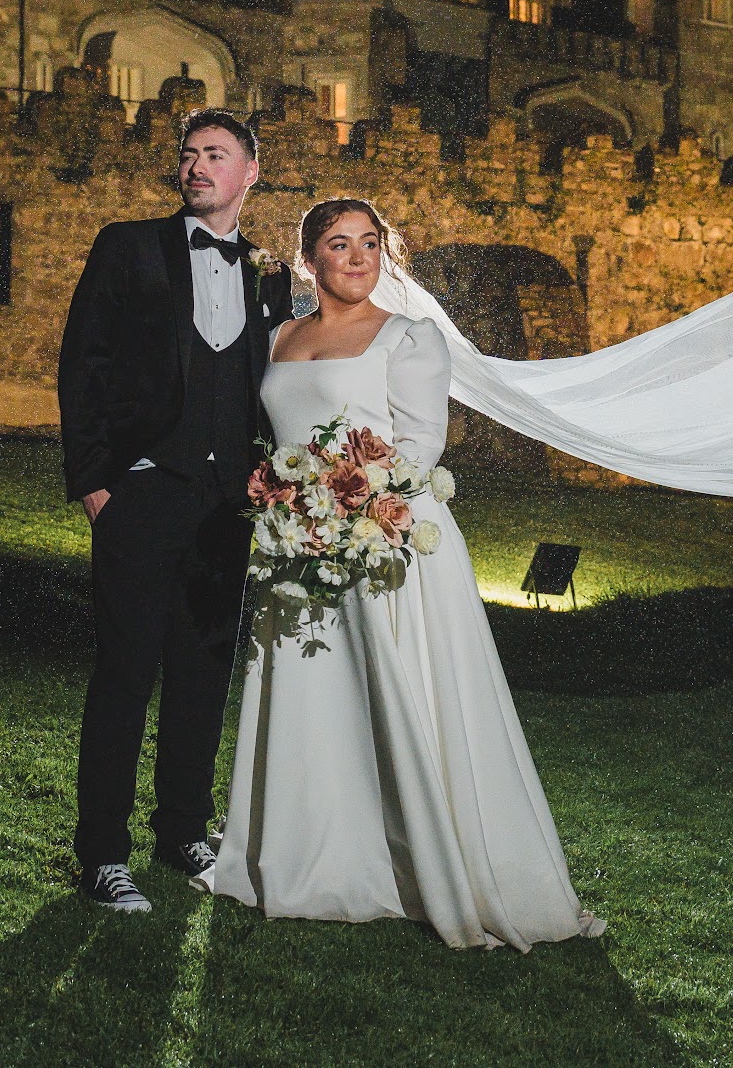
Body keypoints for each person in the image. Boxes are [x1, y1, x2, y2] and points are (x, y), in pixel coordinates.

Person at [204, 198, 607, 950]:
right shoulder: (278, 337)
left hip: (384, 544)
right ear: (309, 260)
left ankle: (422, 860)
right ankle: (311, 852)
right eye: (338, 244)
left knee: (403, 693)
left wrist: (348, 511)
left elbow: (419, 448)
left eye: (370, 243)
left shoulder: (408, 338)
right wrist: (291, 507)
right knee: (312, 697)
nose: (357, 257)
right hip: (296, 545)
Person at [55, 108, 293, 915]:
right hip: (142, 493)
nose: (196, 166)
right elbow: (83, 361)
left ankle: (184, 829)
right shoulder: (128, 247)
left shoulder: (268, 277)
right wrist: (97, 484)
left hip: (228, 508)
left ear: (249, 173)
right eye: (189, 154)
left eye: (215, 155)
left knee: (203, 672)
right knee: (125, 673)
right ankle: (102, 855)